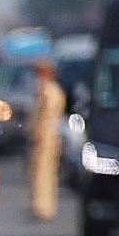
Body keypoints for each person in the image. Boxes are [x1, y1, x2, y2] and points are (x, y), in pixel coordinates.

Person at [28, 59, 66, 222]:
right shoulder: (52, 90)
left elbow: (45, 116)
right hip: (49, 135)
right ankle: (43, 205)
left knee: (42, 171)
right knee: (44, 171)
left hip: (45, 136)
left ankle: (42, 206)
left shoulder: (49, 91)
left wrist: (37, 132)